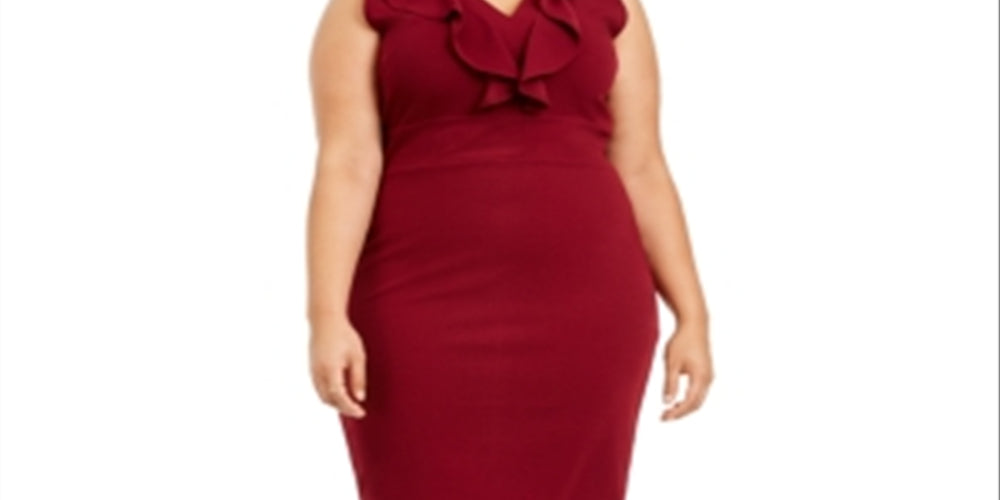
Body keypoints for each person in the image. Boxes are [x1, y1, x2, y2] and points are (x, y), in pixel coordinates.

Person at [304, 0, 714, 497]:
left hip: (588, 307)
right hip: (413, 306)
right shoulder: (366, 7)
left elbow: (642, 165)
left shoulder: (614, 6)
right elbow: (347, 164)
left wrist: (692, 316)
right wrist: (326, 317)